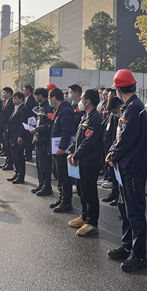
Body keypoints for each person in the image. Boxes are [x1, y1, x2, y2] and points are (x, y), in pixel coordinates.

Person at [105, 69, 147, 272]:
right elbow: (121, 136)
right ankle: (127, 246)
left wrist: (112, 155)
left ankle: (139, 254)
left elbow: (126, 138)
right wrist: (113, 152)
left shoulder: (134, 107)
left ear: (118, 89)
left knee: (134, 211)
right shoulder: (131, 106)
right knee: (125, 208)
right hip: (126, 166)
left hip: (133, 167)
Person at [67, 89, 104, 236]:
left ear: (88, 101)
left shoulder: (95, 118)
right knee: (81, 190)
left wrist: (76, 155)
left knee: (89, 191)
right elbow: (77, 138)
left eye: (82, 99)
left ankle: (92, 223)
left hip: (90, 161)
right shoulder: (85, 116)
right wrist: (71, 152)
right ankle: (84, 216)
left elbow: (89, 141)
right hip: (81, 160)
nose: (80, 101)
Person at [49, 87, 75, 212]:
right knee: (58, 174)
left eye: (50, 98)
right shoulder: (59, 110)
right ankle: (61, 197)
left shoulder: (65, 110)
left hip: (61, 150)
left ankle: (66, 202)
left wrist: (62, 147)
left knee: (64, 176)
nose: (49, 100)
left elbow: (67, 131)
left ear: (54, 98)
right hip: (56, 148)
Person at [30, 87, 54, 196]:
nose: (35, 98)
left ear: (40, 96)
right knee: (39, 165)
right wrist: (34, 125)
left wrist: (38, 129)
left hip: (44, 140)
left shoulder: (48, 108)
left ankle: (47, 187)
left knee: (44, 165)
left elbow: (49, 125)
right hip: (38, 139)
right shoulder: (40, 108)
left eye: (36, 96)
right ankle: (41, 184)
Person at [101, 96, 123, 205]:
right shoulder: (112, 115)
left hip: (117, 149)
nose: (114, 113)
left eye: (115, 111)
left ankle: (118, 196)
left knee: (118, 175)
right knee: (112, 173)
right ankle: (114, 193)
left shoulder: (123, 117)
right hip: (109, 146)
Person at [6, 92, 31, 184]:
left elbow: (23, 124)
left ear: (21, 99)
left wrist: (20, 136)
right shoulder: (16, 108)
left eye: (15, 98)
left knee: (19, 157)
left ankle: (21, 176)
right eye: (13, 98)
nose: (14, 100)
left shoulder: (23, 109)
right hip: (12, 136)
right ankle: (16, 173)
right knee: (14, 157)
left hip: (18, 137)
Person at [0, 87, 15, 171]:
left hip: (8, 126)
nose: (3, 94)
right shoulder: (5, 102)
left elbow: (10, 117)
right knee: (6, 146)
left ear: (9, 94)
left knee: (9, 146)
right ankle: (7, 162)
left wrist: (8, 126)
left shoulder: (11, 103)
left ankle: (10, 163)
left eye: (4, 92)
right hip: (4, 125)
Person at [23, 85, 37, 162]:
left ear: (28, 90)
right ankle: (26, 153)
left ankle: (28, 155)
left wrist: (32, 122)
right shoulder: (25, 99)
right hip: (26, 122)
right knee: (26, 138)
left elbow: (33, 112)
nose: (23, 91)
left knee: (29, 139)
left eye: (24, 90)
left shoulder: (32, 99)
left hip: (30, 122)